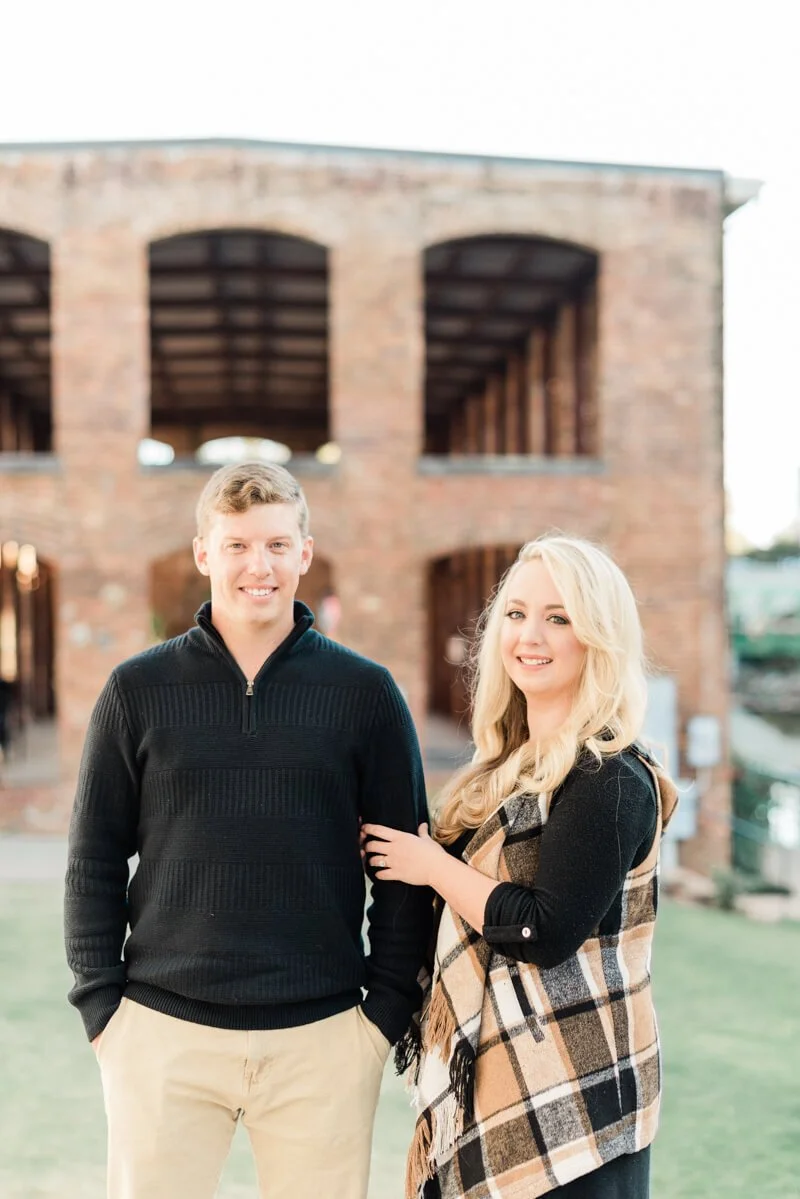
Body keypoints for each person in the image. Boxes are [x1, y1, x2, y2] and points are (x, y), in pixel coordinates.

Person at [64, 461, 432, 1199]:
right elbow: (93, 859)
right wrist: (104, 1010)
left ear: (305, 553)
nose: (257, 566)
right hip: (162, 1034)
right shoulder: (137, 690)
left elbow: (404, 865)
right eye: (236, 545)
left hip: (323, 1040)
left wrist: (383, 1013)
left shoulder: (365, 694)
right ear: (204, 554)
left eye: (275, 545)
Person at [363, 534, 678, 1199]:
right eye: (516, 613)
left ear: (598, 637)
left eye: (558, 618)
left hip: (580, 1107)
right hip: (494, 1079)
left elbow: (545, 930)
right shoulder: (504, 770)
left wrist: (431, 865)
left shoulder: (609, 776)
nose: (529, 635)